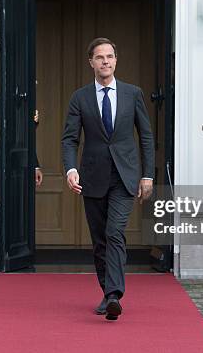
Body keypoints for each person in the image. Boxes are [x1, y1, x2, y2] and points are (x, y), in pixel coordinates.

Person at [61, 37, 155, 320]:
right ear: (91, 62)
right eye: (100, 57)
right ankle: (107, 292)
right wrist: (70, 169)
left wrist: (148, 175)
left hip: (125, 177)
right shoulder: (80, 97)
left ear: (116, 60)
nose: (105, 61)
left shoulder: (132, 93)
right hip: (93, 177)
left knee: (115, 232)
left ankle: (114, 294)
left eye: (110, 56)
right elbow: (69, 139)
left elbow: (146, 137)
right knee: (100, 240)